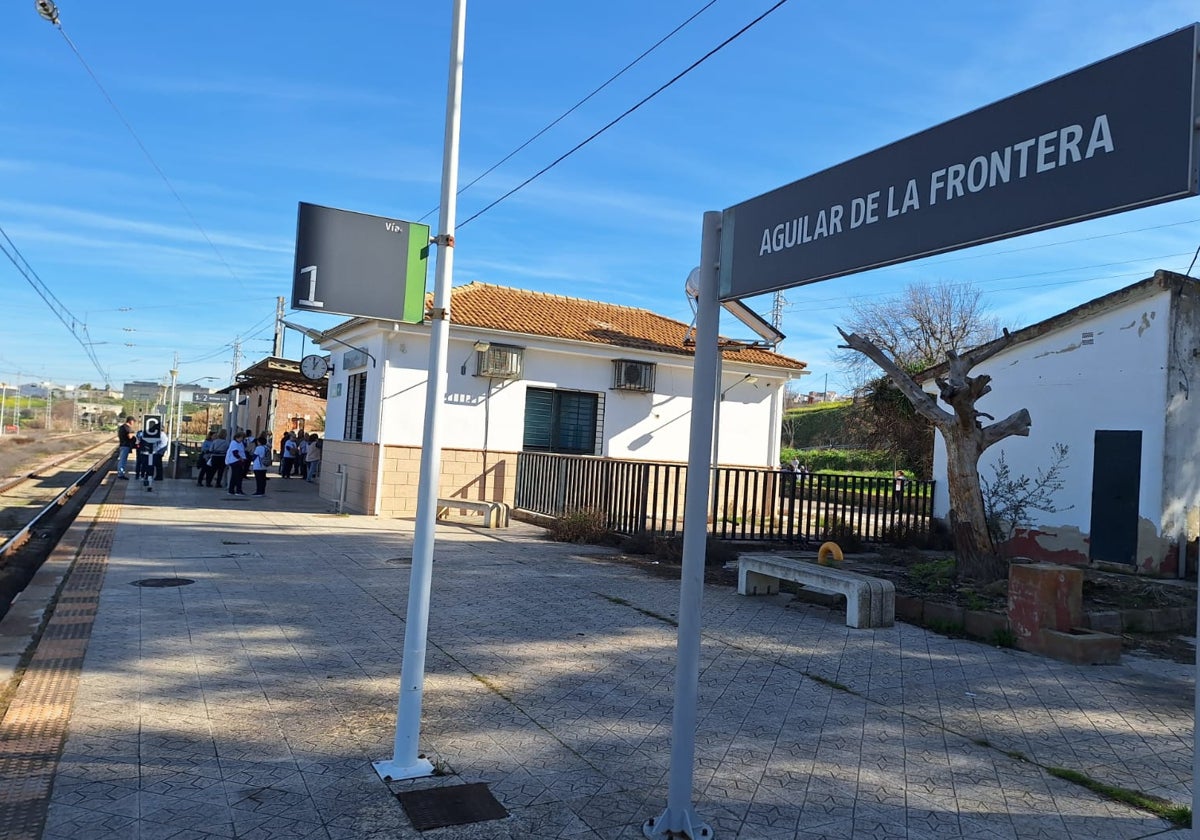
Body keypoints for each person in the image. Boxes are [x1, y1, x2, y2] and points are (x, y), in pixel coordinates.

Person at [139, 418, 169, 492]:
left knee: (155, 465)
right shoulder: (155, 433)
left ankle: (155, 477)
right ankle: (150, 478)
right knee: (151, 465)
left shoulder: (161, 434)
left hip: (157, 452)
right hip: (152, 452)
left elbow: (163, 444)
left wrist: (156, 450)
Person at [225, 431, 248, 496]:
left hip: (238, 461)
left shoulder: (240, 443)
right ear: (238, 437)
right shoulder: (234, 443)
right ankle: (238, 490)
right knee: (238, 476)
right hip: (236, 461)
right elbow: (235, 452)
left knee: (235, 476)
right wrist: (241, 458)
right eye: (242, 438)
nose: (242, 439)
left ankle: (231, 490)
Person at [116, 416, 136, 480]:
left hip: (123, 445)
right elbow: (130, 436)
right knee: (123, 460)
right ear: (130, 421)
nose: (134, 423)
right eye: (133, 421)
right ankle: (120, 474)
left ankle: (120, 473)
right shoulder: (127, 428)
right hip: (125, 445)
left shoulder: (122, 427)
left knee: (122, 460)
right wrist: (133, 435)